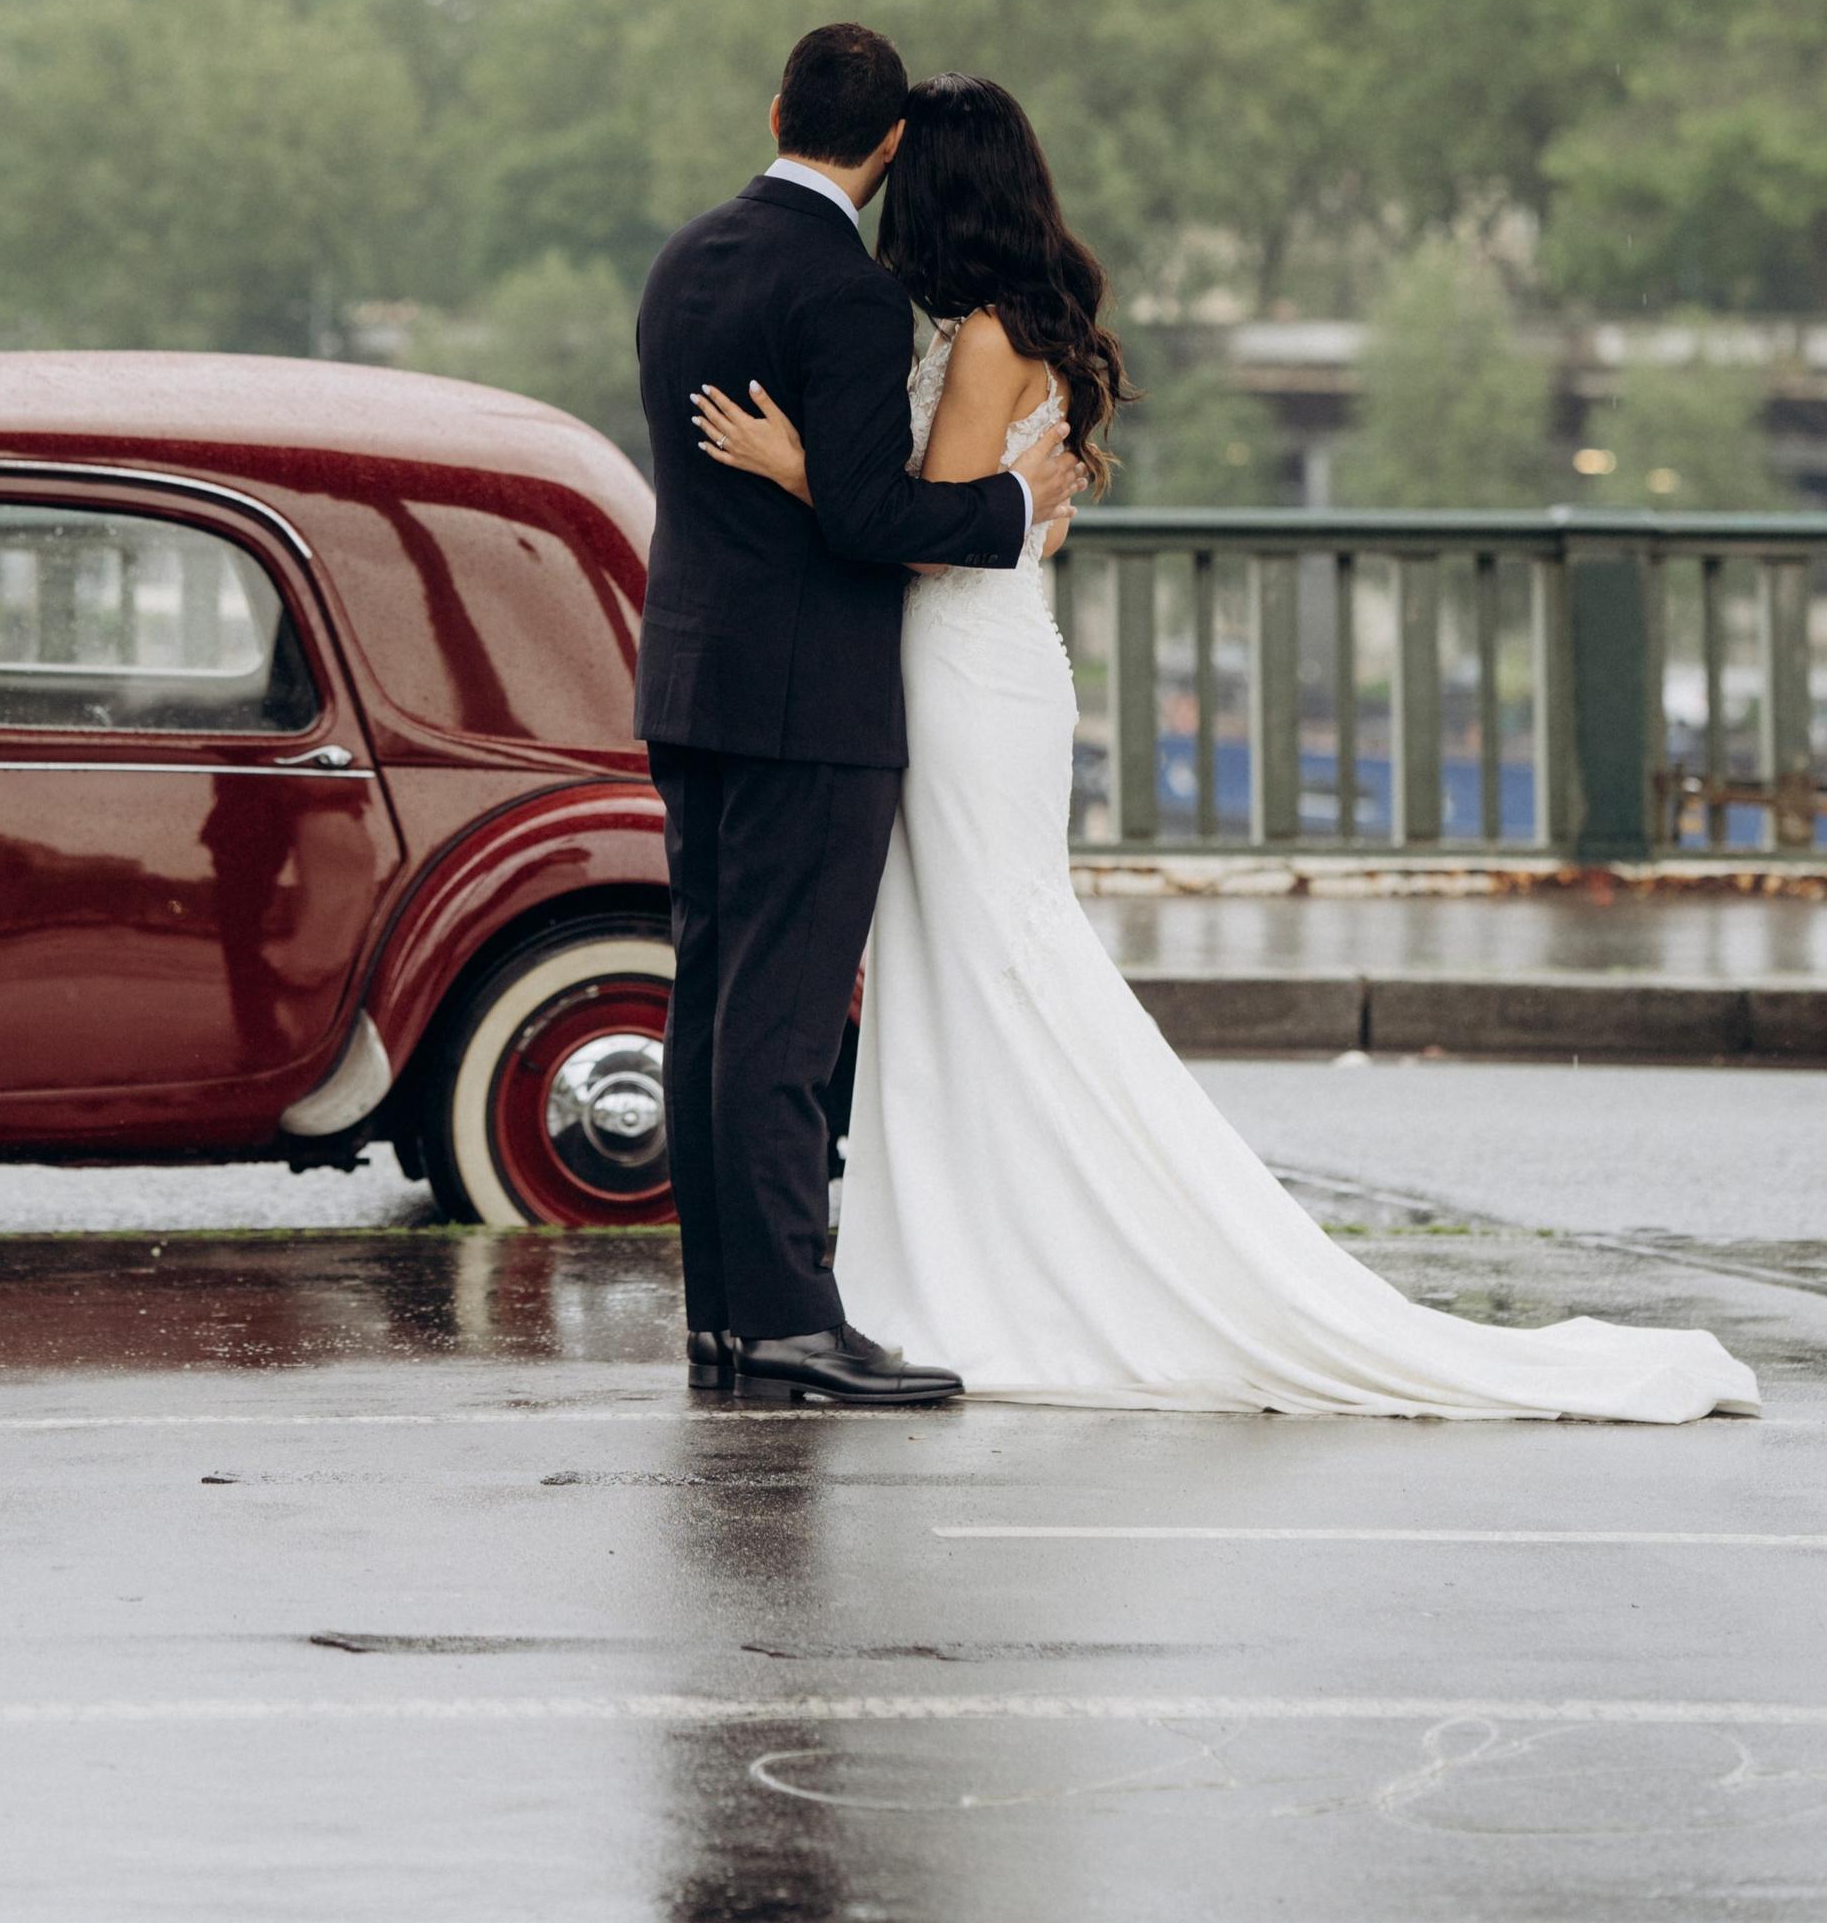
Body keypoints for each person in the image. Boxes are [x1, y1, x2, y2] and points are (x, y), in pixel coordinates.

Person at [694, 72, 1759, 1423]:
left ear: (941, 191)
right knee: (983, 963)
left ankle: (990, 1266)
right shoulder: (1018, 327)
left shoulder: (977, 341)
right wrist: (1008, 509)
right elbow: (1014, 516)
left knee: (986, 962)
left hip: (963, 675)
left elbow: (921, 522)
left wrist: (803, 471)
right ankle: (988, 1256)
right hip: (994, 661)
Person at [634, 21, 1084, 1410]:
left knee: (709, 1006)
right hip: (805, 704)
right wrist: (1019, 501)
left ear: (776, 109)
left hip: (692, 680)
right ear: (888, 149)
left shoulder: (684, 259)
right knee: (782, 1030)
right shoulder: (845, 293)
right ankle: (786, 1323)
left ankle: (723, 1318)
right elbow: (883, 520)